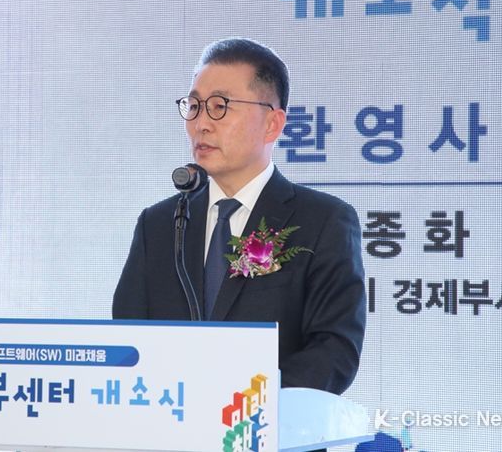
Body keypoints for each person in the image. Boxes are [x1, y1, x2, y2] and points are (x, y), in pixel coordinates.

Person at [113, 37, 366, 395]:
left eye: (219, 107)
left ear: (272, 124)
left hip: (269, 422)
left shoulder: (323, 221)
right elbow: (127, 340)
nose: (201, 124)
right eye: (194, 106)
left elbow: (334, 351)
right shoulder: (159, 224)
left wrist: (243, 403)